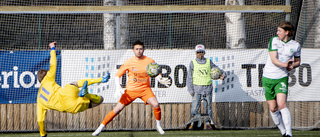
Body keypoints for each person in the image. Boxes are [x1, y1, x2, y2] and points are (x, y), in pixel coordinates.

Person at [92, 40, 171, 136]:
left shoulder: (150, 61)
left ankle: (158, 126)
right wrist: (118, 87)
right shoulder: (129, 62)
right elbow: (117, 75)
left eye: (140, 49)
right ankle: (100, 128)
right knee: (117, 109)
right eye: (136, 49)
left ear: (144, 50)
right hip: (131, 91)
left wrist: (159, 78)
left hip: (145, 90)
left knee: (156, 104)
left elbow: (155, 72)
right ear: (133, 50)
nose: (139, 51)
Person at [37, 42, 110, 137]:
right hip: (67, 92)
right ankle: (99, 80)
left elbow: (40, 120)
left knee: (98, 100)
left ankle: (83, 95)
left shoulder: (39, 100)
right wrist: (52, 48)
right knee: (75, 84)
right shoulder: (48, 78)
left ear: (39, 81)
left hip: (70, 107)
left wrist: (43, 134)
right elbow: (53, 64)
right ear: (46, 75)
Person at [262, 21, 301, 137]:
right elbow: (274, 60)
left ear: (287, 32)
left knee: (282, 104)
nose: (277, 32)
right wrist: (287, 65)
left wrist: (293, 65)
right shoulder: (274, 41)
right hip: (267, 77)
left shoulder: (295, 45)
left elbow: (298, 61)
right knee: (273, 108)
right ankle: (283, 132)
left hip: (281, 78)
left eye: (279, 31)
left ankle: (289, 134)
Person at [186, 44, 226, 130]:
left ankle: (208, 124)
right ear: (195, 53)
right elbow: (189, 77)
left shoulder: (208, 62)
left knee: (208, 108)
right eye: (198, 52)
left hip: (207, 89)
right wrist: (190, 90)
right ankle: (194, 123)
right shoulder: (192, 63)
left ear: (204, 52)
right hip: (196, 89)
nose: (199, 54)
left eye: (201, 52)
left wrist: (223, 75)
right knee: (194, 109)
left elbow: (217, 70)